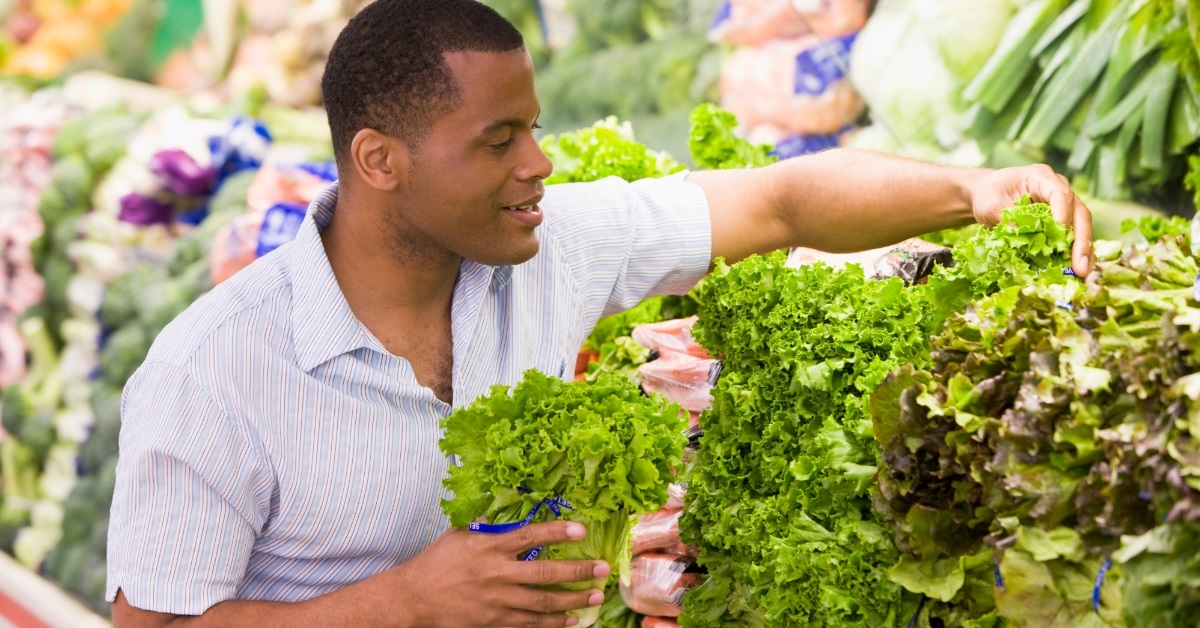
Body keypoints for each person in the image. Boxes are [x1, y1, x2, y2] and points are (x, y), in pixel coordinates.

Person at [106, 1, 1093, 626]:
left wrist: (976, 189)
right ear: (379, 161)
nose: (539, 163)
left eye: (532, 129)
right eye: (499, 140)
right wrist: (404, 603)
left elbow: (780, 202)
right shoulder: (213, 370)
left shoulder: (548, 246)